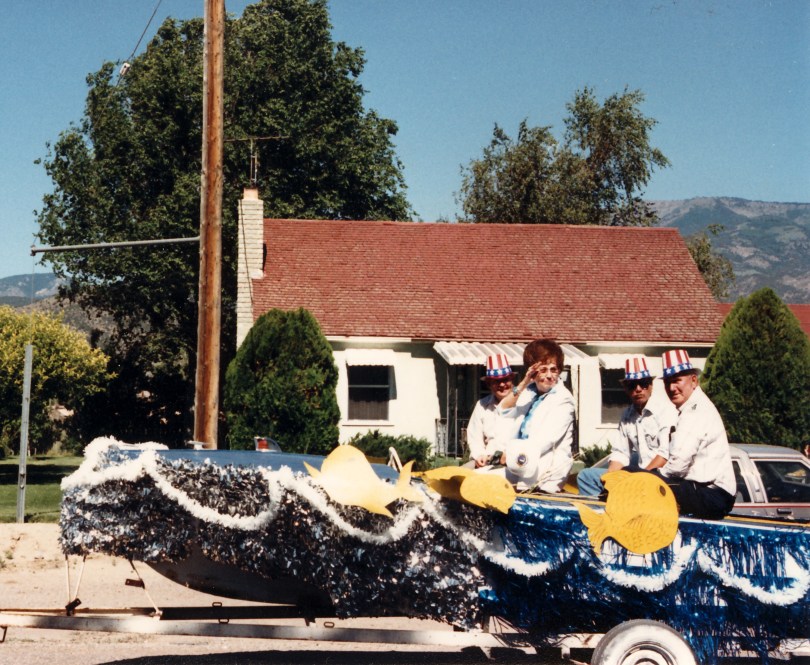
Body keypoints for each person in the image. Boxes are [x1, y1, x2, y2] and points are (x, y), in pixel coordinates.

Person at [654, 349, 736, 520]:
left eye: (676, 381)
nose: (671, 388)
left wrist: (654, 475)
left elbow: (678, 465)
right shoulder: (692, 408)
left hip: (713, 494)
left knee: (641, 480)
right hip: (708, 492)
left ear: (694, 381)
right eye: (667, 382)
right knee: (640, 477)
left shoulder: (696, 411)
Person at [577, 356, 677, 496]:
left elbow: (664, 455)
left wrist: (639, 478)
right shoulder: (627, 416)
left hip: (661, 477)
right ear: (625, 388)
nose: (638, 389)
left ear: (651, 385)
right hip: (639, 473)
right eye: (632, 385)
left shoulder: (665, 412)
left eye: (643, 384)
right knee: (586, 476)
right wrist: (610, 479)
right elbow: (621, 453)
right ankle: (603, 511)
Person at [493, 339, 576, 492]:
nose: (550, 375)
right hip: (520, 464)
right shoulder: (529, 392)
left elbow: (543, 441)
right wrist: (524, 382)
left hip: (545, 472)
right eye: (543, 370)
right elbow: (503, 411)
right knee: (479, 479)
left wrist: (509, 455)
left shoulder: (564, 399)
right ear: (533, 371)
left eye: (554, 369)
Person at [464, 353, 516, 468]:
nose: (502, 384)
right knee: (456, 477)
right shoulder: (482, 405)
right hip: (487, 461)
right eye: (496, 381)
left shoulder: (523, 403)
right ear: (489, 384)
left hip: (513, 461)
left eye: (505, 379)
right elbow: (474, 436)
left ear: (512, 380)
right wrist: (479, 455)